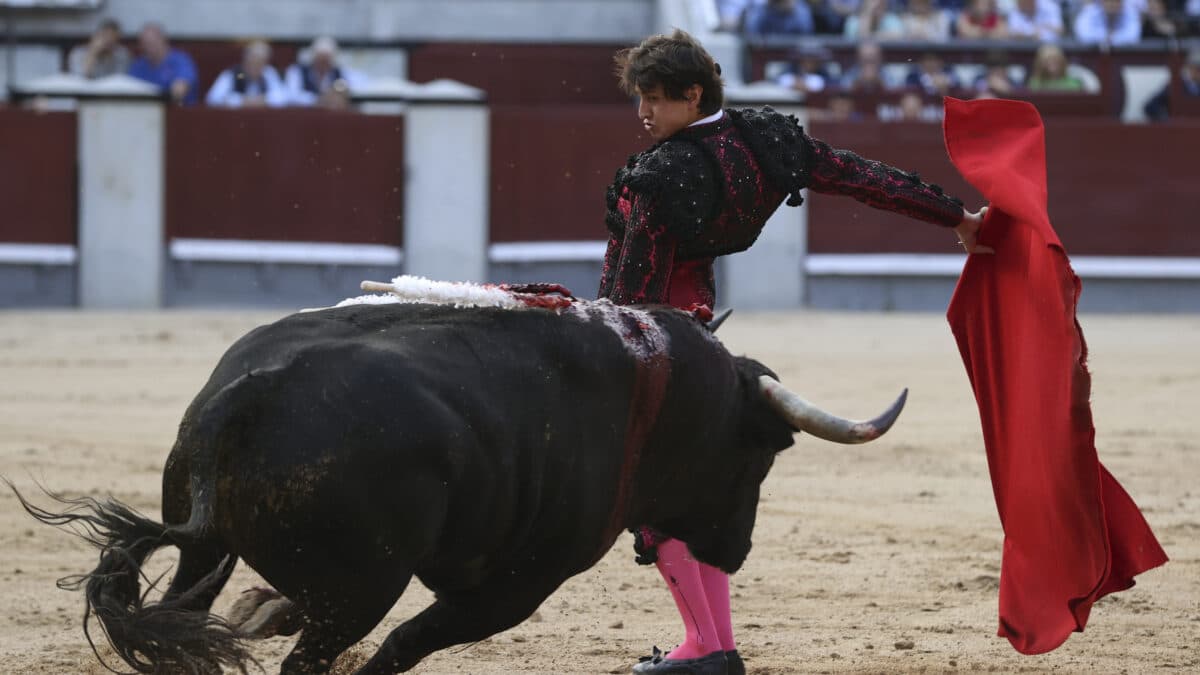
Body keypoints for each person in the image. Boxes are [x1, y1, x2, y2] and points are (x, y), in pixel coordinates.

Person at [602, 29, 986, 675]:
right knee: (696, 488)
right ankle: (713, 644)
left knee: (652, 491)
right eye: (640, 99)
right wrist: (953, 216)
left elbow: (631, 295)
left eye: (656, 99)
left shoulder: (658, 175)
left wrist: (601, 359)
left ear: (693, 95)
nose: (643, 113)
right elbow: (863, 177)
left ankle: (704, 647)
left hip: (653, 339)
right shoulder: (765, 138)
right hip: (699, 336)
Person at [127, 22, 199, 105]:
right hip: (144, 111)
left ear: (163, 40)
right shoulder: (139, 65)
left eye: (152, 42)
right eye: (145, 44)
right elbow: (129, 89)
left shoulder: (180, 61)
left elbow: (180, 90)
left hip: (176, 112)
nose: (148, 47)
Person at [284, 36, 364, 109]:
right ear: (314, 58)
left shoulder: (341, 73)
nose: (323, 64)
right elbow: (291, 96)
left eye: (326, 60)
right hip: (304, 115)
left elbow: (360, 87)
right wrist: (319, 100)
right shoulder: (297, 71)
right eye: (320, 59)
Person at [205, 39, 288, 108]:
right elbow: (213, 98)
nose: (256, 66)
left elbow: (283, 97)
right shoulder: (237, 74)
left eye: (260, 63)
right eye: (253, 61)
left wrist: (262, 100)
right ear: (245, 60)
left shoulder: (268, 73)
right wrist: (242, 100)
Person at [1072, 0, 1142, 45]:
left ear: (1122, 2)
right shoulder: (1090, 10)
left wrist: (1110, 39)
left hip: (1124, 56)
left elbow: (1133, 36)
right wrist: (1106, 37)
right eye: (1108, 1)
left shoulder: (1131, 12)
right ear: (1101, 2)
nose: (1111, 4)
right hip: (1095, 55)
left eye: (1116, 1)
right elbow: (1083, 34)